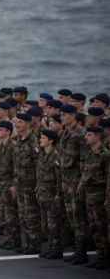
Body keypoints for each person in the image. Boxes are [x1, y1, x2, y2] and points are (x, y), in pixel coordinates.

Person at [59, 104, 89, 264]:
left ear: (73, 116)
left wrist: (82, 183)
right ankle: (78, 249)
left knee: (79, 216)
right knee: (71, 215)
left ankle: (82, 251)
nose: (62, 117)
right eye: (61, 114)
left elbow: (85, 160)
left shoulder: (80, 134)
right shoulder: (65, 133)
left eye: (65, 115)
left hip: (75, 179)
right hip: (66, 180)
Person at [78, 127, 109, 269]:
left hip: (99, 196)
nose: (86, 137)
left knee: (102, 227)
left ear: (97, 137)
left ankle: (106, 257)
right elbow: (86, 172)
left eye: (89, 135)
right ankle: (100, 255)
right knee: (94, 228)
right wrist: (81, 185)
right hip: (89, 195)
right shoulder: (90, 153)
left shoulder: (105, 155)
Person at [11, 112, 42, 254]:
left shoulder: (33, 142)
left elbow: (38, 165)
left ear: (28, 124)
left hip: (30, 185)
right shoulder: (19, 140)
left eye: (21, 122)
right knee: (23, 215)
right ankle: (28, 242)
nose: (17, 124)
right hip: (20, 184)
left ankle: (34, 244)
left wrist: (37, 184)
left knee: (31, 216)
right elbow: (16, 165)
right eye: (17, 122)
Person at [36, 129, 65, 259]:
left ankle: (57, 249)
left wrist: (58, 194)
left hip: (51, 194)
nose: (40, 140)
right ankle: (51, 247)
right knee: (45, 225)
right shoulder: (42, 155)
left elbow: (59, 177)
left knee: (53, 224)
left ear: (51, 141)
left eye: (43, 138)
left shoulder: (55, 156)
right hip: (42, 194)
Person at [0, 121, 20, 249]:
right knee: (3, 213)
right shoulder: (1, 146)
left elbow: (16, 168)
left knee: (11, 213)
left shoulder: (13, 146)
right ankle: (8, 238)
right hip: (0, 183)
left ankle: (15, 239)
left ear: (8, 131)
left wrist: (14, 185)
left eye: (1, 130)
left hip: (8, 184)